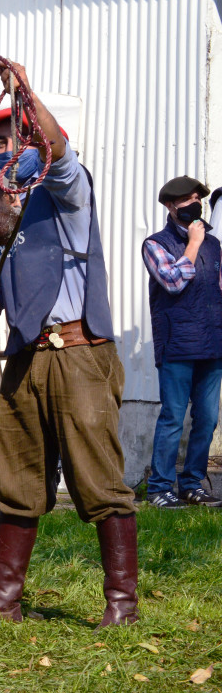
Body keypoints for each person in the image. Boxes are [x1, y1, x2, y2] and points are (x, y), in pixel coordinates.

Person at [0, 60, 138, 628]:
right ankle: (2, 602)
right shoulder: (3, 214)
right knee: (16, 484)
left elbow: (58, 148)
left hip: (80, 354)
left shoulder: (69, 187)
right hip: (25, 357)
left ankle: (121, 607)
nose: (4, 148)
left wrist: (27, 94)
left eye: (14, 136)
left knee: (101, 485)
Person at [141, 175, 222, 509]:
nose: (195, 204)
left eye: (197, 198)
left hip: (213, 344)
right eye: (187, 199)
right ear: (170, 205)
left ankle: (192, 483)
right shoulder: (155, 244)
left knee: (207, 418)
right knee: (173, 417)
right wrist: (192, 244)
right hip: (177, 346)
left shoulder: (215, 245)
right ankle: (159, 487)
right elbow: (173, 282)